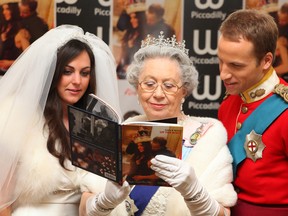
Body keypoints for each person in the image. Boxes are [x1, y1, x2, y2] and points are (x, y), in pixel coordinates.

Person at [0, 25, 130, 215]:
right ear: (53, 72)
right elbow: (2, 202)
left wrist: (108, 198)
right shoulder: (20, 118)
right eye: (68, 71)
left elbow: (89, 201)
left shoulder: (95, 126)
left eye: (84, 73)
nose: (77, 81)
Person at [112, 32, 237, 215]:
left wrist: (194, 191)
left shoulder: (207, 138)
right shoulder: (124, 132)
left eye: (169, 86)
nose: (158, 94)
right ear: (137, 87)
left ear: (184, 91)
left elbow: (223, 214)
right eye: (149, 83)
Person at [217, 9, 288, 215]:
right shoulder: (228, 104)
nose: (223, 73)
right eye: (220, 60)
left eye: (236, 65)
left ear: (266, 61)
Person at [0, 2, 23, 75]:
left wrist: (10, 63)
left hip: (14, 70)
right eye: (3, 9)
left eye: (7, 9)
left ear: (14, 10)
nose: (4, 12)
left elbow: (29, 57)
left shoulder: (21, 28)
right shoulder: (4, 26)